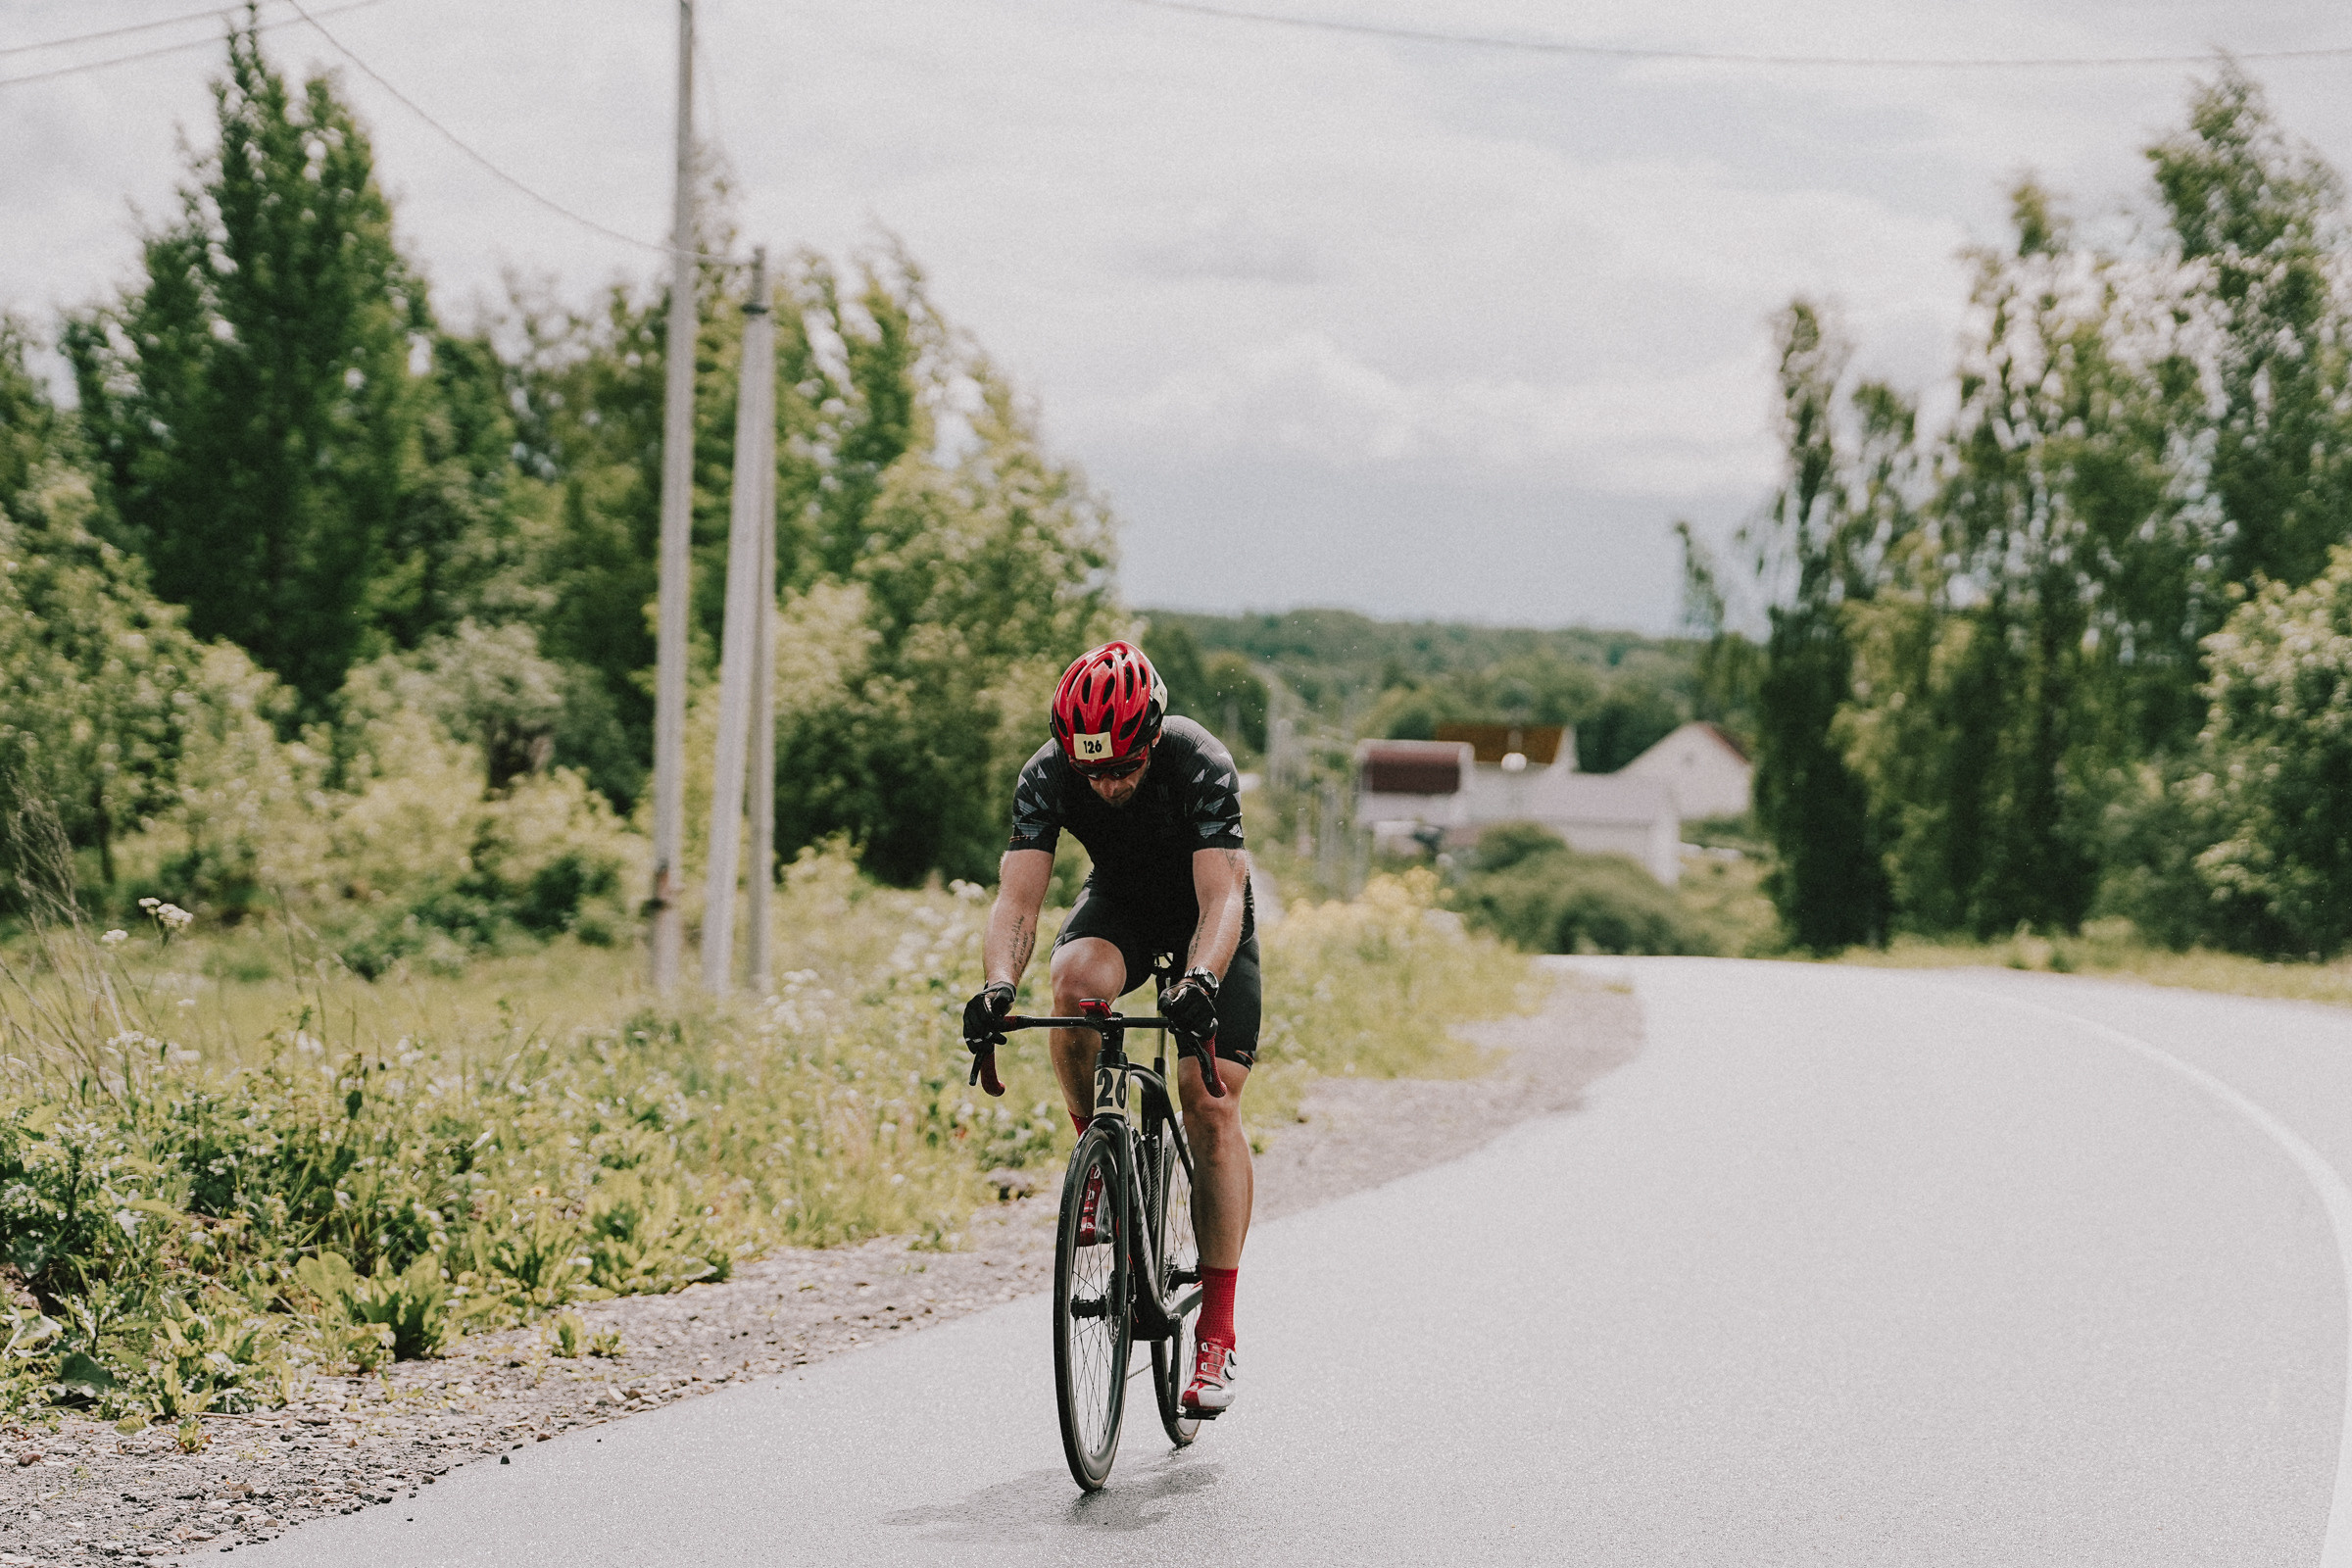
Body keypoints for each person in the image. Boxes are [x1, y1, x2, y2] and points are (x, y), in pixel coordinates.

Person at [962, 640, 1258, 1417]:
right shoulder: (1048, 772)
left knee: (1209, 1098)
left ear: (1152, 737)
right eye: (1093, 771)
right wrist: (997, 986)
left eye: (1123, 767)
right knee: (1073, 981)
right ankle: (1097, 1152)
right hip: (1122, 904)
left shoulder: (1200, 760)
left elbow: (1222, 896)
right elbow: (1019, 902)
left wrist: (1199, 980)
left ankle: (1218, 1336)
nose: (1109, 784)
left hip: (1206, 916)